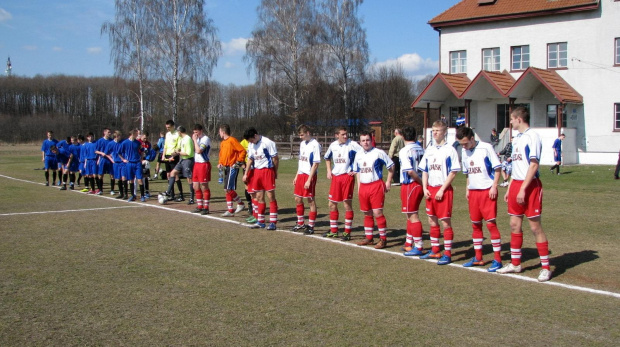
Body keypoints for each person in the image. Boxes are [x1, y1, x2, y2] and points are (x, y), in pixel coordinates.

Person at [497, 106, 552, 282]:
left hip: (530, 186)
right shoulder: (517, 139)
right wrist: (511, 185)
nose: (510, 122)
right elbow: (517, 166)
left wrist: (522, 188)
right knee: (514, 225)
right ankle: (515, 263)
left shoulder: (532, 136)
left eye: (512, 119)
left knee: (535, 227)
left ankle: (545, 267)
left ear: (519, 119)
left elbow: (533, 165)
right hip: (517, 185)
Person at [456, 127, 503, 272]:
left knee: (490, 224)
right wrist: (467, 189)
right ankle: (478, 257)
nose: (463, 147)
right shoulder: (464, 152)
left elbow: (497, 168)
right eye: (461, 144)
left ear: (472, 138)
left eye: (465, 143)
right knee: (475, 225)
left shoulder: (486, 148)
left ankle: (498, 259)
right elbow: (468, 173)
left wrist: (494, 186)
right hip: (473, 193)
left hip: (487, 191)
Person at [418, 120, 461, 265]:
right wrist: (424, 188)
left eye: (437, 130)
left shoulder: (450, 150)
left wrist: (442, 189)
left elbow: (454, 172)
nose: (434, 133)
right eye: (433, 130)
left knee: (445, 222)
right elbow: (424, 170)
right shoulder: (429, 149)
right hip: (430, 189)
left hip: (443, 190)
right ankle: (435, 250)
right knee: (431, 220)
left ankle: (447, 254)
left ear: (444, 133)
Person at [353, 130, 394, 249]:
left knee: (377, 212)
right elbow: (358, 172)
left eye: (367, 140)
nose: (365, 143)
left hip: (376, 185)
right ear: (360, 142)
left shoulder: (379, 153)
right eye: (363, 141)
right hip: (364, 187)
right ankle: (369, 238)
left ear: (371, 141)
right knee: (367, 213)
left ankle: (383, 239)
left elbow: (391, 166)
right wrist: (359, 187)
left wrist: (388, 182)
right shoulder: (358, 155)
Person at [323, 126, 362, 241]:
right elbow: (327, 158)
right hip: (336, 177)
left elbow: (364, 154)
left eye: (346, 134)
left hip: (347, 177)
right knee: (332, 204)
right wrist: (329, 170)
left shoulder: (353, 145)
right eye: (343, 134)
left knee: (346, 204)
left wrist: (356, 169)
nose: (345, 136)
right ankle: (334, 231)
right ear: (337, 135)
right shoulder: (333, 145)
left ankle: (347, 232)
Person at [242, 127, 279, 230]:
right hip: (257, 172)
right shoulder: (251, 145)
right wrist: (246, 173)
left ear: (255, 135)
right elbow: (250, 159)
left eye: (252, 140)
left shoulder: (267, 143)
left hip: (267, 171)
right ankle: (261, 221)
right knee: (259, 196)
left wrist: (275, 172)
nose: (251, 142)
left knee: (270, 196)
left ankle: (273, 222)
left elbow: (275, 158)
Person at [399, 127, 426, 256]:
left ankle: (419, 246)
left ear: (403, 137)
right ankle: (409, 242)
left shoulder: (405, 151)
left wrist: (421, 182)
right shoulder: (422, 149)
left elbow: (409, 170)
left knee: (413, 215)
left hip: (411, 184)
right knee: (409, 214)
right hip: (419, 184)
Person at [292, 124, 321, 234]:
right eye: (299, 135)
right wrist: (296, 176)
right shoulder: (302, 144)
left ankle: (311, 226)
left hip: (310, 175)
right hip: (301, 175)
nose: (300, 137)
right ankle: (300, 223)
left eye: (302, 135)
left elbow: (315, 164)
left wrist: (309, 180)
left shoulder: (315, 145)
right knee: (297, 198)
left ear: (308, 133)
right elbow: (301, 161)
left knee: (310, 200)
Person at [218, 124, 247, 217]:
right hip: (226, 167)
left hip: (232, 167)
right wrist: (220, 163)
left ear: (223, 132)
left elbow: (242, 150)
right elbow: (222, 155)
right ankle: (231, 209)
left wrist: (238, 162)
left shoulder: (232, 140)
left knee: (227, 188)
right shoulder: (223, 143)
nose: (219, 133)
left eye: (219, 131)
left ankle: (239, 204)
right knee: (227, 189)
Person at [162, 126, 194, 203]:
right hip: (182, 159)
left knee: (189, 178)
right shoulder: (182, 139)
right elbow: (178, 149)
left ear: (180, 132)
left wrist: (178, 153)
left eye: (178, 132)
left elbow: (188, 153)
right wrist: (172, 155)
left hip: (188, 160)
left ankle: (192, 198)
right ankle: (168, 192)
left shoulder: (188, 139)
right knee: (172, 173)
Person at [119, 129, 146, 202]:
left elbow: (142, 150)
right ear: (132, 134)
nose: (137, 135)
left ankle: (142, 196)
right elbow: (119, 152)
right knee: (131, 180)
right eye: (136, 134)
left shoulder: (137, 143)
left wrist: (141, 158)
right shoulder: (125, 143)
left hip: (137, 163)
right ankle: (132, 195)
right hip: (129, 163)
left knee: (140, 179)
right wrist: (123, 159)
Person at [191, 124, 212, 215]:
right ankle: (200, 206)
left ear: (201, 131)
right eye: (194, 132)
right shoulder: (197, 139)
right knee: (195, 186)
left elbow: (199, 151)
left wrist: (195, 141)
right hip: (196, 164)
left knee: (204, 186)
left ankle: (206, 207)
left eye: (197, 132)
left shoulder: (205, 139)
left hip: (204, 164)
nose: (195, 134)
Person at [161, 120, 182, 200]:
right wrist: (163, 155)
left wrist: (173, 155)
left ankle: (181, 194)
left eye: (169, 127)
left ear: (173, 126)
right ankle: (171, 194)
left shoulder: (177, 134)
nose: (167, 129)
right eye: (166, 127)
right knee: (168, 175)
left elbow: (178, 147)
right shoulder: (167, 134)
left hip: (174, 156)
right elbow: (165, 146)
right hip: (167, 156)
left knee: (175, 175)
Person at [94, 128, 114, 195]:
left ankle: (112, 190)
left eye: (110, 132)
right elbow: (96, 150)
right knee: (100, 175)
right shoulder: (100, 141)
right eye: (108, 132)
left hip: (110, 160)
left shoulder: (111, 141)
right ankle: (100, 190)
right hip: (103, 160)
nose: (109, 133)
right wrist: (102, 153)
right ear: (104, 132)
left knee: (112, 175)